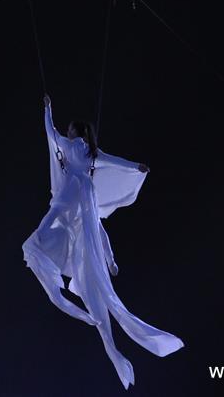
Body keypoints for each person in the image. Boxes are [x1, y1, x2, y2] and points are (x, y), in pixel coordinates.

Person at [22, 94, 184, 389]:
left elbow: (111, 160)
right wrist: (47, 108)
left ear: (79, 133)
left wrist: (136, 167)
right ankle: (95, 256)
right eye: (70, 131)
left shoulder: (84, 150)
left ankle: (95, 256)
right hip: (82, 190)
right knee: (83, 221)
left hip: (79, 190)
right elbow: (51, 133)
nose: (70, 133)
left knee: (80, 220)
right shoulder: (78, 150)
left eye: (73, 130)